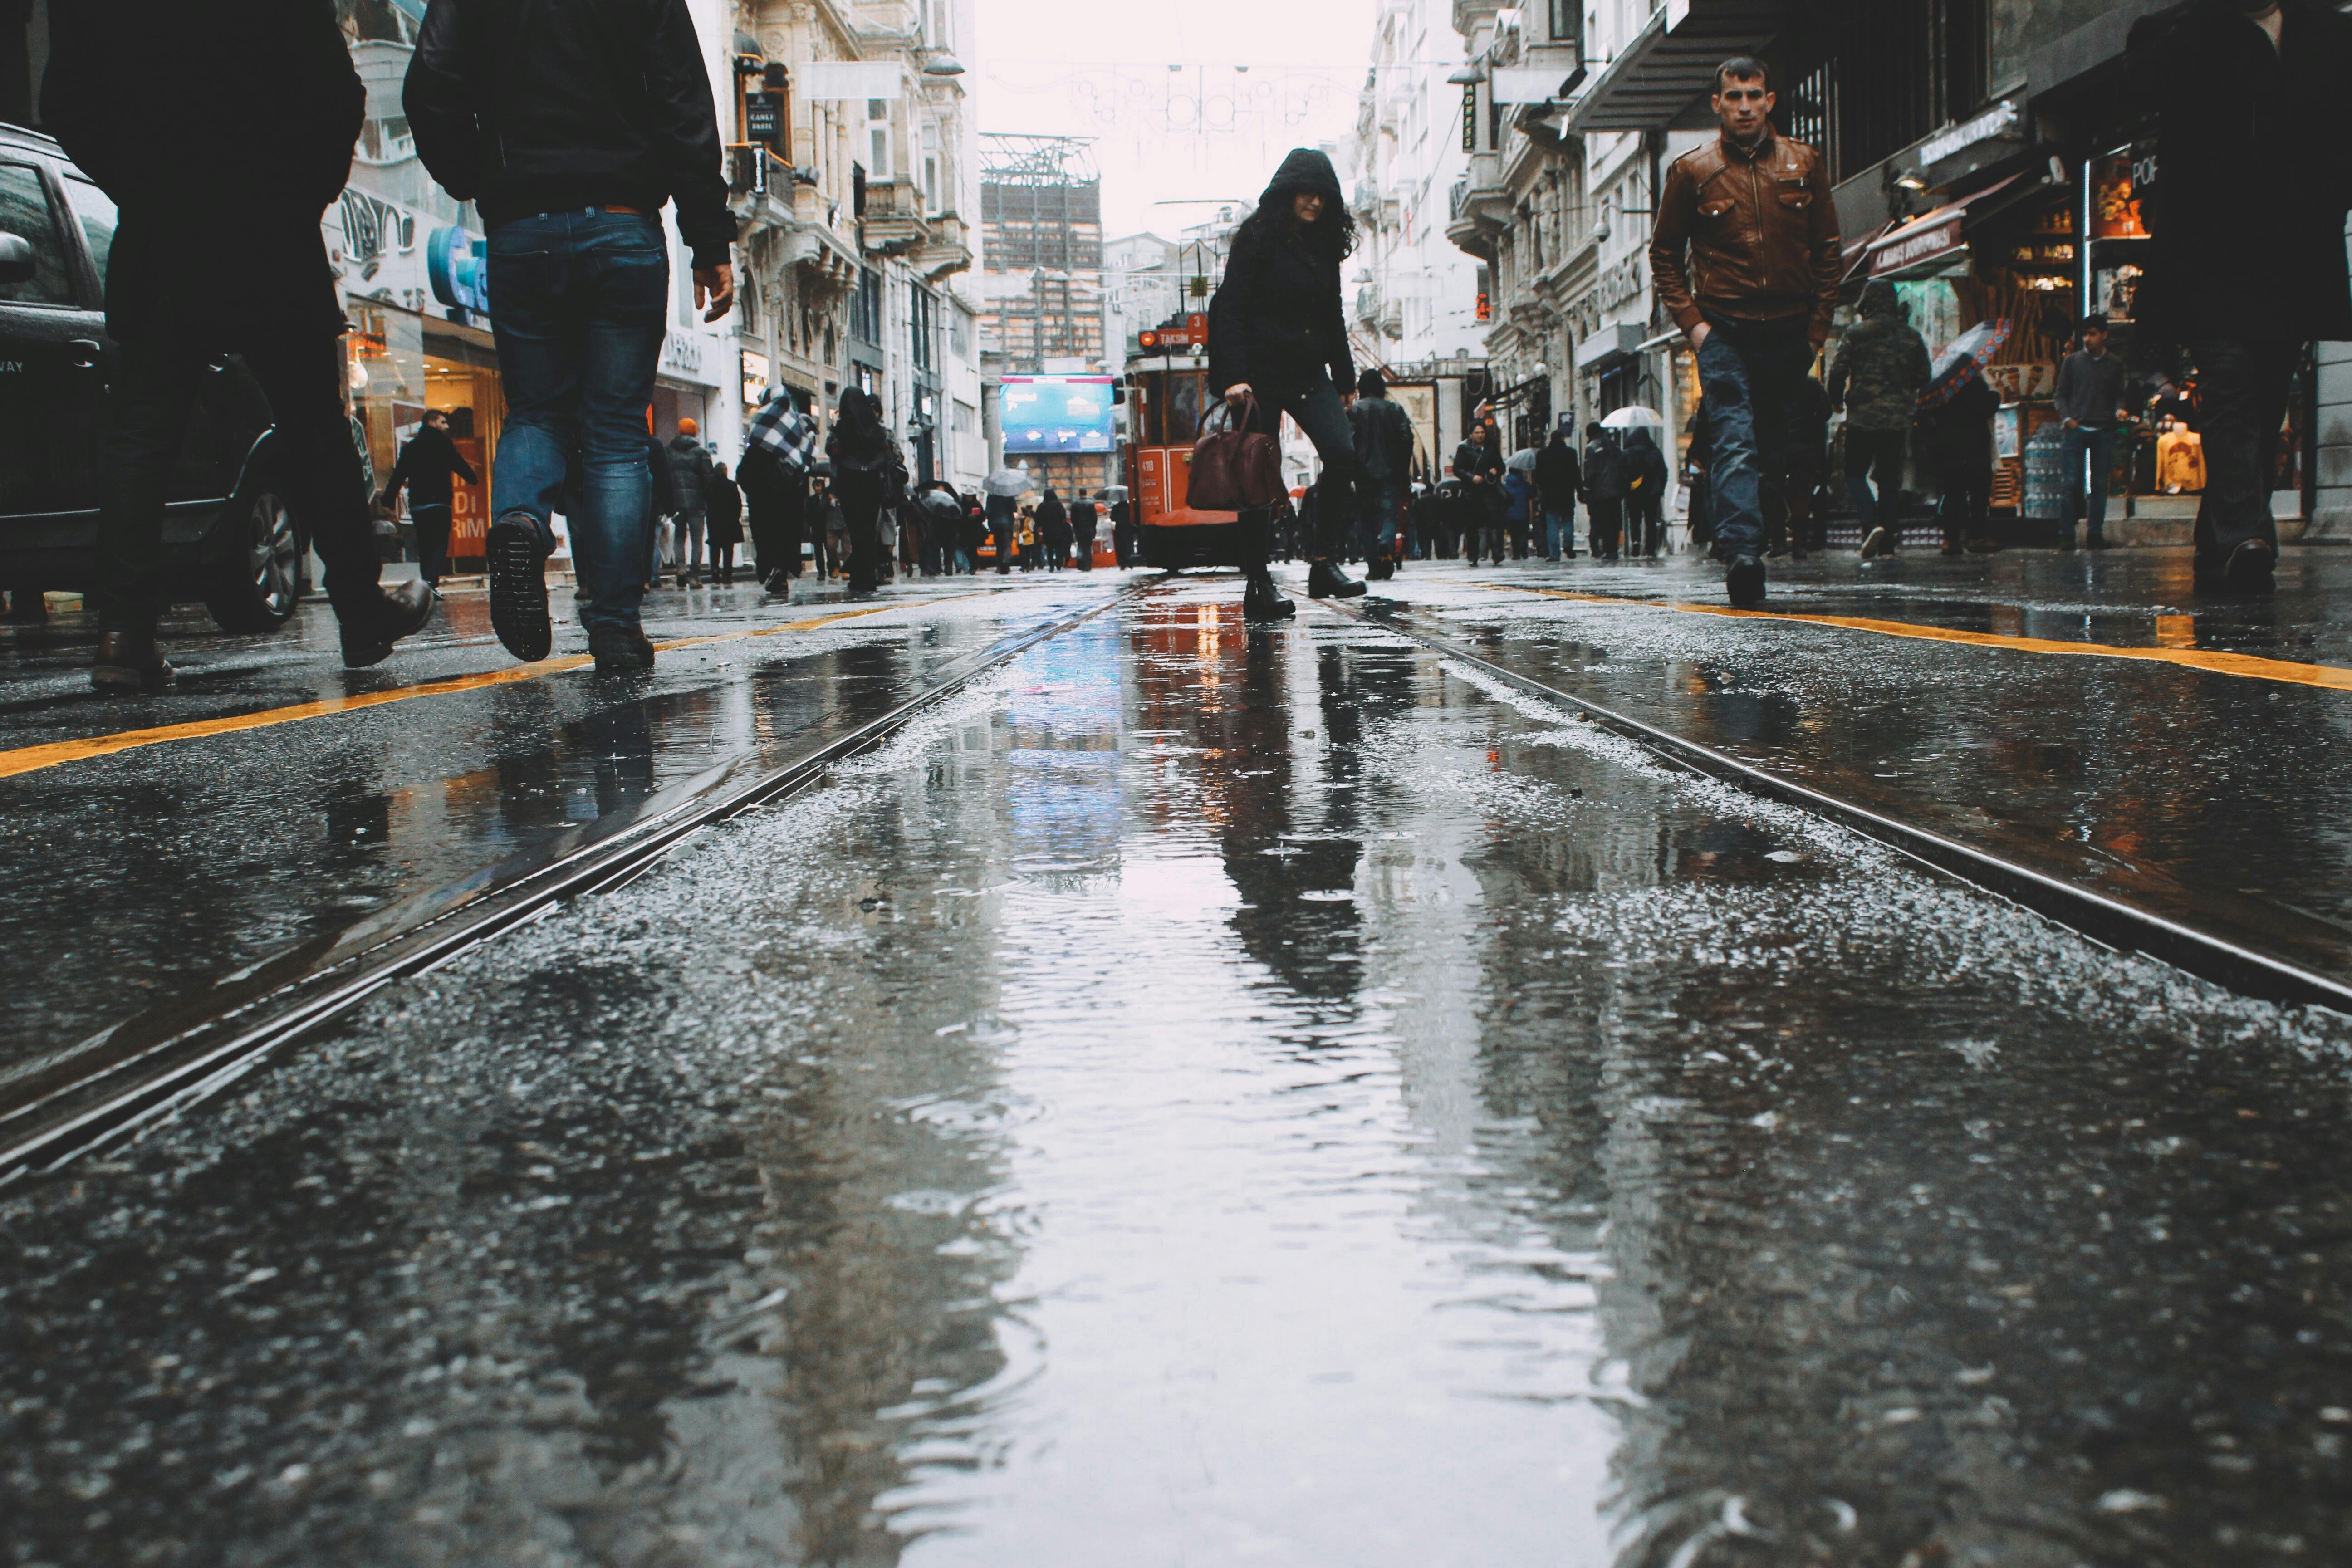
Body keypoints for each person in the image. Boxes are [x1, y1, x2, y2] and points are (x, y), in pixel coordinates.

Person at [44, 0, 435, 691]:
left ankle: (123, 633)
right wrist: (297, 194)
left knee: (141, 438)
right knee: (315, 425)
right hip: (267, 225)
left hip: (162, 230)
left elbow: (69, 103)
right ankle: (359, 608)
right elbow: (335, 94)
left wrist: (143, 184)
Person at [405, 0, 736, 674]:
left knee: (536, 410)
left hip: (522, 225)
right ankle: (615, 628)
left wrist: (474, 174)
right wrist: (707, 235)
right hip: (622, 220)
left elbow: (430, 81)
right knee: (616, 434)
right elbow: (684, 102)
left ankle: (523, 522)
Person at [2130, 0, 2352, 591]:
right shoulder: (2189, 37)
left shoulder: (2327, 34)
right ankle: (2245, 537)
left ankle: (2222, 533)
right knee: (2231, 389)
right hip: (2212, 257)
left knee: (2267, 403)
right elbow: (2145, 78)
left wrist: (2331, 204)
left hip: (2291, 260)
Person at [1650, 55, 1842, 607]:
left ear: (1770, 100)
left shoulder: (1805, 163)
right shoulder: (1692, 171)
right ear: (1717, 104)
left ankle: (1764, 534)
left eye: (1754, 95)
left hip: (1789, 332)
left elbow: (1829, 250)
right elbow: (1665, 255)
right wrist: (1696, 328)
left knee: (1774, 446)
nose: (1744, 107)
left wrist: (1817, 329)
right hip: (1726, 332)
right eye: (1733, 97)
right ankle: (1743, 556)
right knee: (1734, 439)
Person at [1207, 147, 1369, 619]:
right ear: (1286, 193)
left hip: (1307, 374)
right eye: (1306, 193)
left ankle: (1323, 562)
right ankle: (1258, 585)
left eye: (1323, 196)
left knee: (1341, 454)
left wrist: (1344, 376)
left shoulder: (1323, 247)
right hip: (1257, 378)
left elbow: (1332, 313)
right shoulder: (1256, 237)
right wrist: (1233, 377)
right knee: (1257, 478)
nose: (1314, 203)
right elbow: (1230, 307)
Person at [1828, 279, 1933, 559]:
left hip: (1862, 417)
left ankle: (1870, 522)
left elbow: (1838, 371)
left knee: (1854, 474)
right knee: (1889, 480)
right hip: (1897, 418)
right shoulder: (1910, 336)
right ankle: (1887, 542)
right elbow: (1924, 376)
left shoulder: (1856, 333)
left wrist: (1836, 400)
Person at [2051, 315, 2132, 552]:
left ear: (2104, 335)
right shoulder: (2073, 362)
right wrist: (2067, 418)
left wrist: (2119, 410)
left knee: (2099, 484)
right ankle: (2067, 534)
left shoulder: (2114, 364)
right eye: (2085, 334)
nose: (2088, 339)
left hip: (2103, 428)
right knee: (2071, 483)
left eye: (2093, 334)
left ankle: (2095, 534)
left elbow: (2119, 393)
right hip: (2077, 428)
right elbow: (2061, 394)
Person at [378, 408, 479, 589]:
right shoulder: (444, 444)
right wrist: (473, 479)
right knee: (439, 542)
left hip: (419, 503)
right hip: (440, 502)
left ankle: (428, 581)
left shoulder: (411, 447)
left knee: (425, 544)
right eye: (443, 422)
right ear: (431, 423)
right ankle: (431, 581)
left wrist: (388, 500)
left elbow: (398, 475)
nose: (447, 427)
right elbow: (460, 466)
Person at [824, 388, 900, 597]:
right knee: (868, 529)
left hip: (850, 483)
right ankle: (867, 573)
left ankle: (861, 574)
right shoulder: (876, 430)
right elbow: (888, 456)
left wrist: (835, 487)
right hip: (872, 482)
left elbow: (833, 456)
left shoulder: (842, 428)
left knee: (856, 529)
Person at [1915, 373, 2001, 556]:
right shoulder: (1973, 381)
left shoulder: (1940, 386)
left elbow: (1925, 414)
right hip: (1974, 445)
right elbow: (1988, 406)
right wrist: (1995, 391)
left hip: (1947, 448)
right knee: (1979, 493)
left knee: (1952, 493)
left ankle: (1950, 540)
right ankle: (1977, 537)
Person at [741, 386, 816, 591]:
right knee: (786, 533)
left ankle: (770, 570)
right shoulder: (798, 423)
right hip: (789, 493)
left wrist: (750, 487)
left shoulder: (761, 419)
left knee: (766, 533)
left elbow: (750, 459)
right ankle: (782, 571)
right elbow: (805, 458)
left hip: (762, 493)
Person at [1346, 368, 1416, 581]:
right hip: (1390, 472)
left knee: (1365, 519)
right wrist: (1401, 468)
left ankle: (1373, 564)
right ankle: (1386, 540)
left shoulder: (1355, 410)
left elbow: (1348, 441)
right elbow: (1407, 438)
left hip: (1363, 474)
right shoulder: (1395, 409)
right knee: (1389, 514)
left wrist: (1353, 470)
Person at [666, 417, 715, 586]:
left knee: (679, 537)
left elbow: (665, 477)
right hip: (697, 503)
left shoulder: (669, 451)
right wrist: (709, 500)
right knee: (697, 539)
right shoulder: (701, 453)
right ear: (695, 432)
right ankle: (695, 576)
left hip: (676, 502)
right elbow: (709, 479)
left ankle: (680, 568)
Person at [1451, 422, 1505, 564]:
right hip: (1472, 492)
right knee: (1472, 526)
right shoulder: (1464, 448)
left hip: (1489, 491)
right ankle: (1473, 556)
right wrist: (1471, 478)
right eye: (1477, 433)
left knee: (1494, 522)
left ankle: (1497, 552)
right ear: (1471, 434)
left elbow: (1502, 466)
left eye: (1482, 432)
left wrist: (1496, 470)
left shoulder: (1491, 447)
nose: (1480, 435)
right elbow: (1457, 469)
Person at [1534, 417, 1580, 561]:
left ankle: (1554, 554)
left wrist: (1541, 490)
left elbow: (1538, 476)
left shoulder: (1542, 455)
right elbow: (1576, 473)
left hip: (1549, 495)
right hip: (1566, 494)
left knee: (1552, 525)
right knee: (1568, 521)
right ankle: (1568, 544)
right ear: (1562, 439)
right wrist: (1580, 490)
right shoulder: (1571, 453)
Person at [1582, 423, 1627, 561]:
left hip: (1600, 490)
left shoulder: (1592, 448)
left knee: (1603, 521)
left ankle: (1606, 549)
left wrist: (1587, 489)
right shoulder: (1614, 446)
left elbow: (1591, 471)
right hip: (1617, 490)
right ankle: (1613, 549)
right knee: (1614, 520)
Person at [1622, 427, 1670, 557]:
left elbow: (1622, 472)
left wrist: (1625, 488)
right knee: (1651, 521)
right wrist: (1660, 488)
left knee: (1635, 519)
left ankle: (1636, 542)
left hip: (1634, 492)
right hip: (1652, 494)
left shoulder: (1628, 453)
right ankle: (1651, 548)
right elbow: (1663, 473)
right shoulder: (1655, 452)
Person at [705, 460, 744, 584]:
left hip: (714, 521)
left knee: (715, 548)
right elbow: (738, 505)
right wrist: (735, 517)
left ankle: (715, 571)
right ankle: (727, 575)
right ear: (725, 471)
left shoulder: (709, 486)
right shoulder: (732, 485)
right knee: (728, 549)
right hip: (729, 522)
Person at [1037, 487, 1072, 570]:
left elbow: (1038, 519)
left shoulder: (1042, 506)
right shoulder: (1058, 505)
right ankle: (1059, 563)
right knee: (1058, 547)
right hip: (1058, 530)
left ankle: (1051, 565)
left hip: (1047, 531)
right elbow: (1063, 516)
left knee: (1050, 549)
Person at [1071, 493, 1100, 570]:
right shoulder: (1091, 504)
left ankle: (1082, 564)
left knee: (1081, 546)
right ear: (1086, 494)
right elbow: (1094, 518)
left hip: (1079, 530)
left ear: (1080, 494)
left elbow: (1073, 519)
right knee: (1088, 547)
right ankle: (1088, 565)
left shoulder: (1075, 505)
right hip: (1089, 529)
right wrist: (1093, 528)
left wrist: (1075, 529)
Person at [1111, 494, 1137, 567]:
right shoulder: (1130, 507)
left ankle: (1122, 563)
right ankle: (1130, 560)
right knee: (1129, 545)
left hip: (1119, 528)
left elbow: (1112, 518)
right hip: (1129, 528)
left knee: (1121, 546)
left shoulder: (1116, 508)